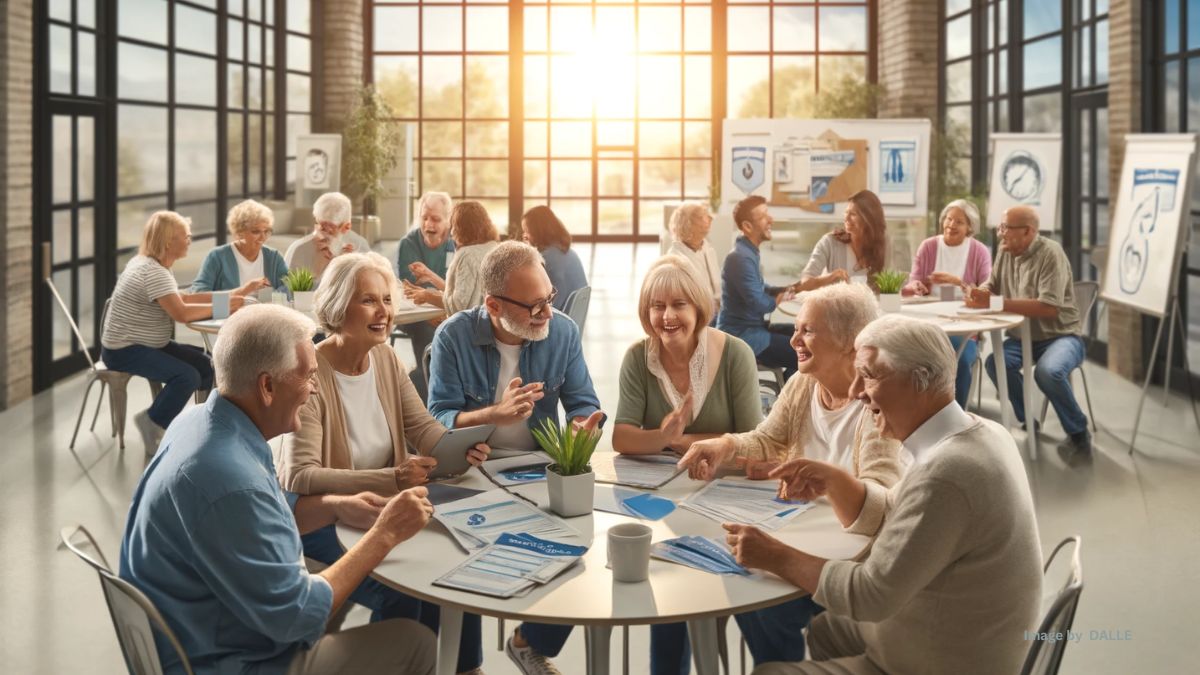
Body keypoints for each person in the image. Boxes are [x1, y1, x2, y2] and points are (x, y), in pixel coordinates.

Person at [119, 304, 436, 675]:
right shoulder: (231, 481)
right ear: (267, 386)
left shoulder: (200, 421)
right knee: (416, 642)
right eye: (308, 376)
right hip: (225, 660)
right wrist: (385, 534)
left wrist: (334, 505)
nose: (314, 388)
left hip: (193, 626)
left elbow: (261, 514)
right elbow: (298, 618)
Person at [724, 315, 1042, 675]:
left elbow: (869, 595)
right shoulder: (978, 433)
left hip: (947, 660)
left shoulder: (947, 474)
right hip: (969, 632)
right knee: (825, 629)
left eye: (870, 375)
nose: (856, 391)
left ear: (920, 380)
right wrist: (834, 481)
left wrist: (774, 555)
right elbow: (903, 512)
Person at [278, 252, 488, 674]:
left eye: (387, 300)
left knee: (462, 566)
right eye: (369, 301)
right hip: (324, 522)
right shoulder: (311, 370)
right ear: (339, 307)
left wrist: (464, 443)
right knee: (408, 593)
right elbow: (301, 475)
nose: (384, 312)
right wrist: (391, 477)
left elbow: (425, 430)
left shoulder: (387, 359)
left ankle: (467, 670)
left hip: (384, 508)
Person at [677, 283, 908, 668]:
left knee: (759, 598)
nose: (794, 338)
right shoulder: (804, 383)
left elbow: (879, 505)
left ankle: (782, 668)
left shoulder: (877, 403)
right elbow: (769, 438)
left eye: (808, 330)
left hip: (850, 559)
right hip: (801, 533)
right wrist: (725, 446)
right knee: (740, 576)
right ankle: (781, 666)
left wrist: (829, 482)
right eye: (797, 327)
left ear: (850, 343)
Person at [426, 241, 604, 675]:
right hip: (473, 468)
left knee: (578, 546)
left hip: (540, 468)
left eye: (549, 299)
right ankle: (468, 666)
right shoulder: (453, 335)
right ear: (492, 304)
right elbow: (436, 418)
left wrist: (584, 426)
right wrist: (491, 415)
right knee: (459, 556)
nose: (545, 313)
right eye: (533, 306)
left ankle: (530, 640)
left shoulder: (561, 331)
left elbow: (584, 401)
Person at [611, 256, 761, 675]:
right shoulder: (637, 358)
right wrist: (665, 437)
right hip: (664, 501)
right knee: (670, 592)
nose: (667, 316)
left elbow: (753, 443)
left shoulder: (736, 355)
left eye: (679, 304)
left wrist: (677, 441)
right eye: (657, 306)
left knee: (721, 591)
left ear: (698, 308)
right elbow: (622, 438)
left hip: (728, 500)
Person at [101, 211, 246, 450]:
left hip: (147, 343)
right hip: (125, 349)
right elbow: (182, 313)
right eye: (186, 237)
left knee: (206, 364)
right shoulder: (153, 272)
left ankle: (203, 424)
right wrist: (228, 305)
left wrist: (232, 295)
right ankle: (152, 422)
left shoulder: (151, 264)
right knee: (186, 376)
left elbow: (183, 298)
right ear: (169, 241)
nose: (190, 240)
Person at [967, 205, 1091, 463]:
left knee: (1048, 371)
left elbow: (1048, 307)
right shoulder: (1006, 251)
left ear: (1028, 231)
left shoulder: (1051, 254)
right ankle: (1028, 421)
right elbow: (993, 284)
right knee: (995, 363)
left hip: (1062, 336)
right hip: (1021, 338)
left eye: (1006, 229)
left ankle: (1079, 433)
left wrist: (995, 303)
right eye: (1000, 227)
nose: (1000, 234)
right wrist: (981, 291)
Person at [903, 198, 993, 408]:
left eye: (959, 222)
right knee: (910, 359)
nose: (951, 225)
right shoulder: (929, 246)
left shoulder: (979, 251)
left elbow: (987, 295)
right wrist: (917, 286)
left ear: (970, 226)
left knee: (959, 360)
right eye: (949, 219)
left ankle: (957, 415)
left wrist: (958, 282)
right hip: (930, 325)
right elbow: (912, 283)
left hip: (964, 328)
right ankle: (922, 413)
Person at [717, 195, 802, 380]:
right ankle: (789, 401)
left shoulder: (748, 252)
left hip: (754, 328)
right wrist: (780, 298)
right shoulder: (739, 258)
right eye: (764, 216)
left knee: (801, 334)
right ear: (747, 227)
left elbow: (760, 287)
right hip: (743, 337)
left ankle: (789, 389)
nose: (771, 219)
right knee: (803, 353)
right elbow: (759, 303)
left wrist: (783, 289)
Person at [394, 191, 456, 400]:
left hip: (449, 309)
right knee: (430, 333)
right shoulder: (409, 243)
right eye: (424, 218)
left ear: (448, 219)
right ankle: (428, 391)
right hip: (416, 314)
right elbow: (410, 291)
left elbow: (458, 289)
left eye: (436, 219)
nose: (429, 224)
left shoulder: (456, 242)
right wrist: (433, 314)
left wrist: (442, 307)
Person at [403, 200, 499, 315]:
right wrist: (430, 279)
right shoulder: (494, 248)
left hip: (469, 328)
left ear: (461, 228)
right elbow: (464, 293)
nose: (451, 231)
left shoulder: (467, 255)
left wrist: (427, 296)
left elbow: (457, 306)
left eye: (453, 225)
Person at [191, 199, 289, 293]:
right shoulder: (217, 257)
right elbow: (199, 293)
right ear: (239, 232)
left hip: (265, 310)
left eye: (267, 231)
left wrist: (271, 301)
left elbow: (289, 287)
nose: (263, 237)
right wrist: (230, 304)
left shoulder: (274, 257)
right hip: (230, 310)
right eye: (256, 231)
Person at [799, 189, 889, 291]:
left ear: (868, 219)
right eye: (846, 212)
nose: (846, 218)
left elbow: (891, 286)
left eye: (853, 214)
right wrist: (830, 278)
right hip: (833, 306)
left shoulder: (881, 245)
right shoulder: (829, 243)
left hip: (868, 306)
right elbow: (804, 284)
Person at [521, 205, 588, 312]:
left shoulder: (546, 259)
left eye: (527, 231)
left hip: (556, 319)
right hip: (573, 319)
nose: (525, 236)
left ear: (538, 231)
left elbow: (545, 306)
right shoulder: (568, 252)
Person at [285, 192, 358, 285]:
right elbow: (288, 293)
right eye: (320, 224)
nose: (322, 231)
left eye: (330, 227)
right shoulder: (299, 249)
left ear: (346, 227)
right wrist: (317, 271)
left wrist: (345, 268)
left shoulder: (352, 252)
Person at [666, 202, 722, 319]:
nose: (710, 218)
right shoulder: (675, 258)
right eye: (702, 216)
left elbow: (717, 286)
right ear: (687, 224)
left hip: (718, 312)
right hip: (697, 318)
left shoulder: (708, 248)